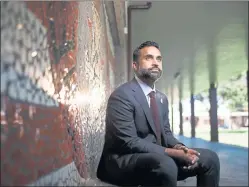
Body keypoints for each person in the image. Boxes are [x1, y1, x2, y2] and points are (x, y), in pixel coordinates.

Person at [97, 41, 220, 187]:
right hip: (123, 161)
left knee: (210, 158)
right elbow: (128, 142)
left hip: (157, 157)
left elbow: (166, 134)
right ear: (135, 66)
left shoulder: (161, 98)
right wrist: (173, 154)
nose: (155, 63)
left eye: (159, 59)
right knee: (166, 164)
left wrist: (181, 148)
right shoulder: (122, 96)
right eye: (149, 58)